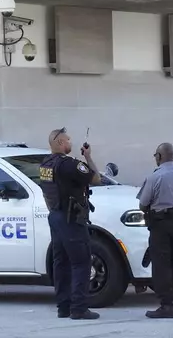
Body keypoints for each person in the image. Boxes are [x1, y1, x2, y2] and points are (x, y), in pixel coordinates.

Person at [38, 127, 103, 320]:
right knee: (81, 262)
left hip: (55, 216)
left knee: (61, 263)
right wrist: (88, 157)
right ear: (60, 143)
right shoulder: (69, 165)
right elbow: (96, 178)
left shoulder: (46, 164)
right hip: (71, 219)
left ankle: (64, 307)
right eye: (68, 140)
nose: (70, 143)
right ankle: (79, 308)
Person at [136, 142, 173, 319]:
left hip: (161, 223)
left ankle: (166, 306)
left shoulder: (155, 177)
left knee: (162, 264)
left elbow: (143, 203)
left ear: (159, 157)